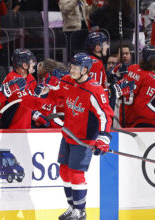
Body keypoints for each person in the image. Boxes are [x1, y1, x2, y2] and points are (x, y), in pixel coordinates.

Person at [43, 53, 114, 220]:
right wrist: (48, 88)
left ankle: (80, 211)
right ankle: (72, 207)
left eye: (76, 68)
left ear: (85, 70)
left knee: (76, 174)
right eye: (72, 66)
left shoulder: (94, 89)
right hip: (68, 134)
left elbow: (105, 115)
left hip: (84, 139)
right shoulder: (67, 80)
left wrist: (103, 137)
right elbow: (55, 93)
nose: (72, 70)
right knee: (64, 171)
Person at [0, 48, 47, 129]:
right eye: (31, 62)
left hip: (26, 125)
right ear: (24, 65)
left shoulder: (30, 77)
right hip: (12, 127)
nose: (33, 64)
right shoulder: (12, 80)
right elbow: (29, 103)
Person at [121, 45, 155, 128]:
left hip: (124, 116)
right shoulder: (151, 78)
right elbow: (140, 107)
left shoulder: (132, 68)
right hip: (137, 121)